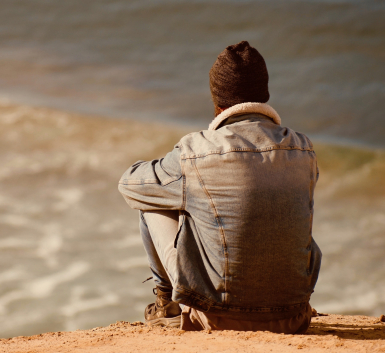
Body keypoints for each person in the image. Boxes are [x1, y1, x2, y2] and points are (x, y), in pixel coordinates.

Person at [118, 41, 322, 333]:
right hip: (293, 318)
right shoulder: (303, 149)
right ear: (264, 94)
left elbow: (129, 184)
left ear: (218, 102)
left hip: (220, 317)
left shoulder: (198, 150)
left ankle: (168, 306)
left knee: (152, 199)